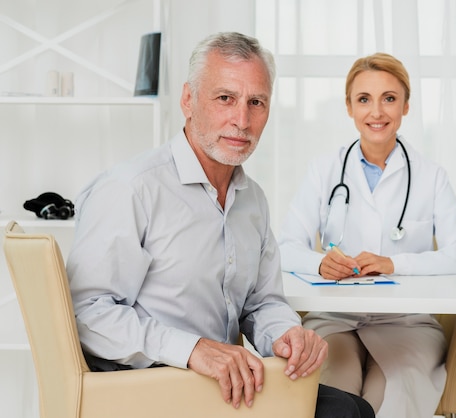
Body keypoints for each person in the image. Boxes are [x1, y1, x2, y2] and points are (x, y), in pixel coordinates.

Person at [66, 32, 374, 418]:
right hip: (146, 387)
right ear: (188, 100)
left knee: (354, 409)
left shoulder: (252, 200)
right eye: (225, 98)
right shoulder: (130, 188)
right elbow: (86, 313)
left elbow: (262, 303)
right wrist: (192, 348)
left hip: (222, 386)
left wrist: (286, 335)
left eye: (256, 102)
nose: (241, 120)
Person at [279, 53, 456, 418]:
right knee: (332, 393)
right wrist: (320, 262)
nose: (377, 112)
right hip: (335, 317)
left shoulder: (430, 176)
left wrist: (394, 263)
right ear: (349, 106)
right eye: (364, 99)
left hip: (406, 322)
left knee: (390, 397)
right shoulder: (325, 170)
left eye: (389, 98)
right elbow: (283, 248)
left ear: (406, 105)